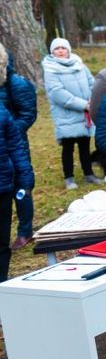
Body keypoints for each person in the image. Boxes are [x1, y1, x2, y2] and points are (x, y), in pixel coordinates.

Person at [42, 37, 97, 189]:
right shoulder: (50, 69)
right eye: (57, 48)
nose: (60, 51)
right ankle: (69, 177)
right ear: (52, 52)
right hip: (66, 116)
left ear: (68, 50)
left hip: (84, 114)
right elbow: (58, 94)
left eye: (63, 48)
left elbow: (91, 82)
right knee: (68, 148)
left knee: (85, 145)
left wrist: (93, 99)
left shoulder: (79, 65)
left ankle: (89, 174)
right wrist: (83, 105)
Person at [0, 42, 37, 251]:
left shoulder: (16, 83)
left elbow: (29, 114)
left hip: (15, 144)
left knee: (21, 187)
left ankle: (25, 231)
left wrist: (10, 130)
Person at [0, 100, 33, 281]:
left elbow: (16, 147)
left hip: (3, 187)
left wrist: (25, 180)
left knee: (2, 244)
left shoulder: (2, 112)